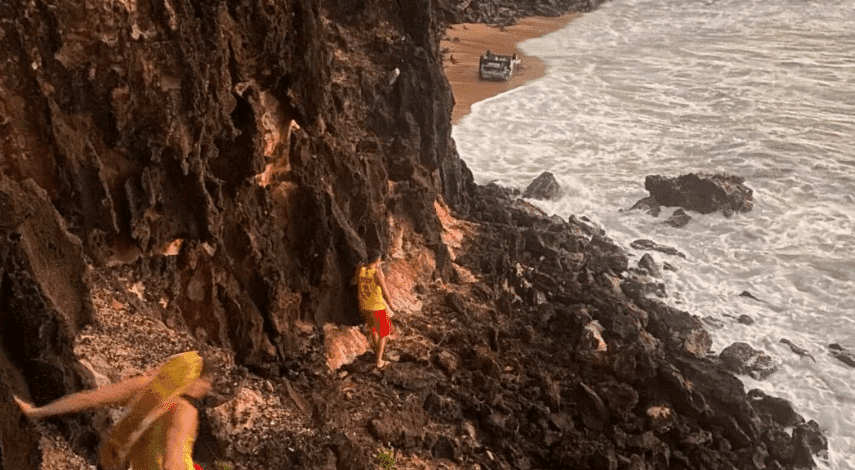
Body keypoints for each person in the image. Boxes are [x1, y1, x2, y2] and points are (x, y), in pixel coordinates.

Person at [14, 350, 215, 470]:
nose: (206, 388)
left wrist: (38, 411)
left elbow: (89, 398)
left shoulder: (142, 386)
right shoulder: (184, 412)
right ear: (194, 382)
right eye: (205, 382)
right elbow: (173, 461)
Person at [352, 249, 396, 369]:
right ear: (378, 260)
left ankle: (377, 355)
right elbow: (385, 292)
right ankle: (379, 361)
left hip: (364, 306)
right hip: (376, 307)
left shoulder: (361, 270)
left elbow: (354, 282)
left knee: (374, 331)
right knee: (383, 334)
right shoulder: (377, 273)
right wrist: (392, 306)